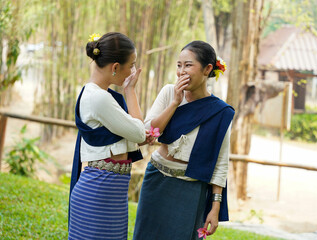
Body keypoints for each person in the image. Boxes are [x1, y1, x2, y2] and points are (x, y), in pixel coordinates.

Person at [133, 41, 235, 240]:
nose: (181, 72)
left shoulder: (219, 112)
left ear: (207, 69)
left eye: (188, 65)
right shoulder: (169, 92)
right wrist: (174, 103)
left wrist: (215, 208)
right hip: (157, 179)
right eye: (179, 65)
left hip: (192, 187)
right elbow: (146, 135)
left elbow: (220, 163)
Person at [68, 32, 153, 240]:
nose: (133, 71)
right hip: (98, 192)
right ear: (115, 67)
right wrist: (130, 90)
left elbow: (133, 135)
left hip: (109, 192)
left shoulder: (98, 95)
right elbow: (138, 131)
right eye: (131, 65)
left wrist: (138, 134)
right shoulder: (99, 98)